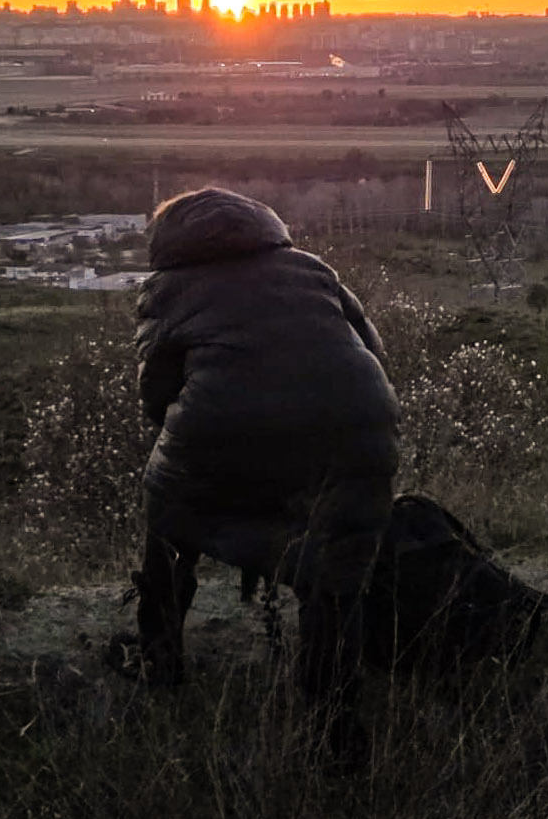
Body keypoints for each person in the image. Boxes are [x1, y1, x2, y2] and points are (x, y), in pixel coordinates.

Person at [129, 187, 399, 761]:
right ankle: (335, 730)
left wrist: (178, 445)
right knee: (335, 575)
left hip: (224, 427)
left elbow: (156, 393)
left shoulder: (169, 289)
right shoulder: (312, 268)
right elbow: (371, 346)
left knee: (168, 515)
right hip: (360, 427)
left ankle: (159, 659)